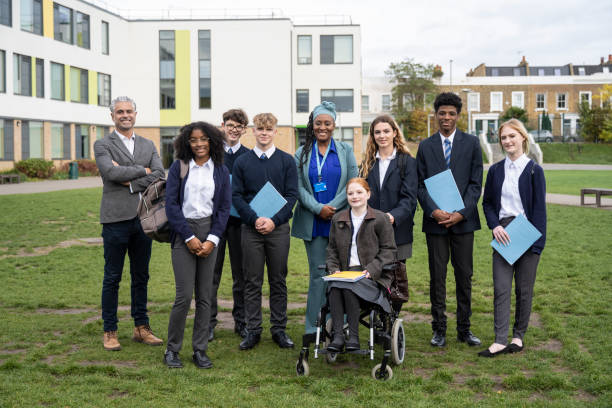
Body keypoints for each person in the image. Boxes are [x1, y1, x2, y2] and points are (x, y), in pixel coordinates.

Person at [94, 96, 165, 351]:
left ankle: (141, 327)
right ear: (112, 116)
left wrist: (133, 180)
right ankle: (110, 331)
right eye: (120, 112)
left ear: (136, 114)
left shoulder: (148, 143)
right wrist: (142, 170)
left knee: (141, 276)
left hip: (143, 219)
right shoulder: (102, 144)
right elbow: (110, 173)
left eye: (129, 111)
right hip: (115, 219)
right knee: (112, 277)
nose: (125, 115)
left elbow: (159, 175)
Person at [416, 92, 483, 348]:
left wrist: (461, 213)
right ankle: (439, 329)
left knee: (464, 276)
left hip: (464, 222)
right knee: (438, 277)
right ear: (436, 115)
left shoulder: (472, 144)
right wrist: (433, 211)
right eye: (442, 113)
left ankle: (464, 329)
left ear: (458, 115)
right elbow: (420, 186)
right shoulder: (425, 146)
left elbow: (476, 184)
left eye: (451, 113)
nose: (446, 117)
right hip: (435, 223)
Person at [163, 121, 231, 368]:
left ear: (211, 141)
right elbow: (171, 205)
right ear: (186, 143)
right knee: (183, 296)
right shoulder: (179, 167)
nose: (199, 144)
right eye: (193, 140)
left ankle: (200, 349)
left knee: (205, 297)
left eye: (204, 139)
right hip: (183, 231)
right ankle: (172, 350)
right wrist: (189, 238)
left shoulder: (220, 170)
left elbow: (224, 208)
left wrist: (212, 239)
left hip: (210, 231)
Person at [479, 119, 546, 357]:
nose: (507, 141)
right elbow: (487, 203)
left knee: (524, 290)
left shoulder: (534, 170)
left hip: (527, 232)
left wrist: (537, 245)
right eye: (504, 138)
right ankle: (499, 340)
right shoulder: (496, 170)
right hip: (504, 232)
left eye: (512, 136)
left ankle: (518, 337)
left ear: (523, 138)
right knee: (501, 287)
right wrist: (495, 225)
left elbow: (539, 210)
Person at [232, 113, 299, 350]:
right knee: (252, 281)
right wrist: (254, 219)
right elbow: (237, 196)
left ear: (275, 132)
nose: (264, 133)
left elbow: (292, 195)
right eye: (260, 129)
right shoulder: (242, 162)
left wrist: (273, 221)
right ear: (253, 131)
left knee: (278, 280)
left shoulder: (287, 161)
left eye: (268, 129)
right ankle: (253, 330)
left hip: (278, 229)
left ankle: (279, 330)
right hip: (251, 229)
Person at [292, 101, 358, 335]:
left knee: (342, 273)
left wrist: (333, 206)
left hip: (340, 220)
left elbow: (353, 181)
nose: (322, 127)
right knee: (319, 275)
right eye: (318, 123)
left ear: (334, 125)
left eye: (327, 123)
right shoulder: (301, 153)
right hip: (314, 222)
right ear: (312, 125)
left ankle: (341, 325)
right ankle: (314, 327)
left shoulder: (345, 151)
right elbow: (298, 187)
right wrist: (318, 208)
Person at [325, 178, 396, 351]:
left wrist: (371, 270)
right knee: (335, 287)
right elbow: (332, 250)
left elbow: (389, 251)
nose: (354, 196)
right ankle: (339, 337)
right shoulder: (338, 219)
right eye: (350, 193)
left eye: (359, 192)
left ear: (368, 194)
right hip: (345, 273)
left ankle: (354, 338)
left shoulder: (380, 219)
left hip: (372, 276)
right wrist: (334, 269)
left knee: (349, 287)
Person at [209, 109, 251, 341]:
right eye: (230, 125)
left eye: (239, 126)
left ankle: (241, 322)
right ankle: (209, 323)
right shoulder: (211, 153)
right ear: (222, 125)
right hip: (214, 222)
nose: (234, 130)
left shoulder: (249, 156)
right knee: (211, 274)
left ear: (244, 130)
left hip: (239, 222)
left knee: (241, 274)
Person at [360, 115, 417, 266]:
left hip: (398, 232)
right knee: (372, 281)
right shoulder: (367, 163)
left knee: (396, 282)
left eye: (386, 131)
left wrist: (392, 216)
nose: (382, 136)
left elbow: (410, 199)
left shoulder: (408, 162)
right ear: (372, 135)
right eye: (377, 132)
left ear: (395, 133)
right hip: (371, 232)